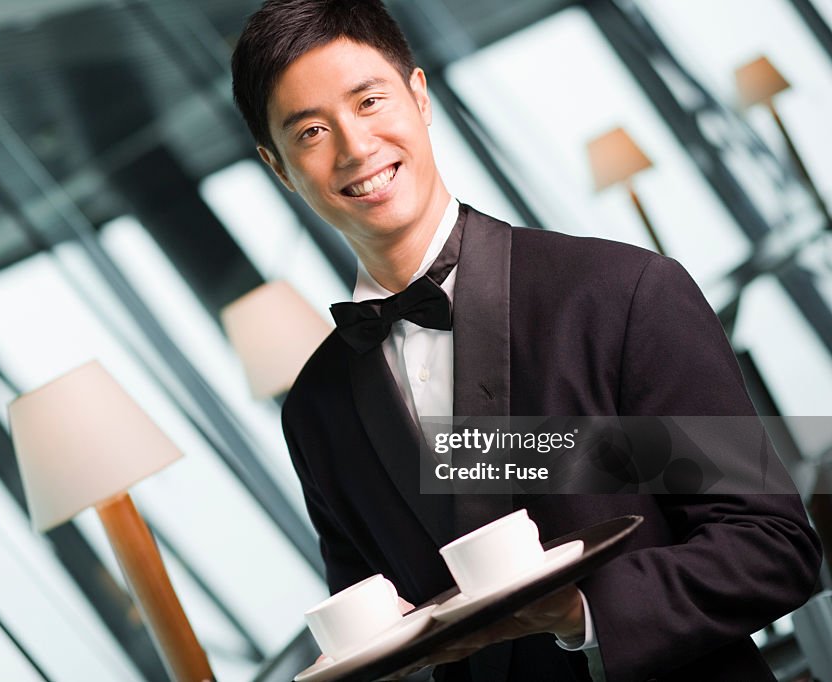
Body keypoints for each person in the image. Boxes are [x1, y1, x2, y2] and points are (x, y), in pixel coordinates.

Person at [230, 1, 822, 680]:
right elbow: (375, 625)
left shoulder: (619, 291)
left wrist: (583, 614)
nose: (355, 147)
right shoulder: (316, 409)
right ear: (278, 167)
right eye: (310, 131)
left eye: (369, 101)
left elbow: (771, 550)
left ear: (419, 97)